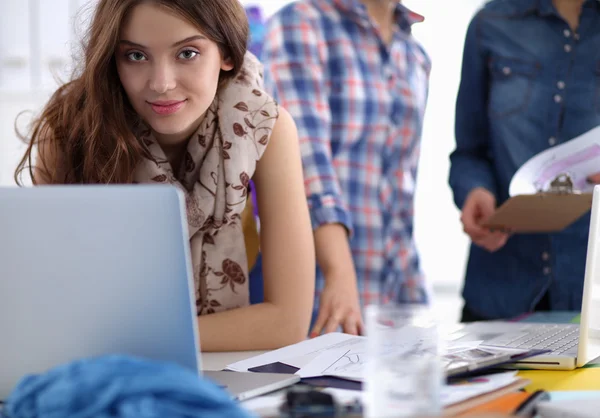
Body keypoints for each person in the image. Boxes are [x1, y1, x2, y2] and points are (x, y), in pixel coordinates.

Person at [14, 0, 315, 351]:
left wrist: (129, 338)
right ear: (113, 59)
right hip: (108, 350)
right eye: (136, 56)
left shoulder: (264, 126)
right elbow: (47, 298)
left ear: (227, 54)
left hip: (209, 334)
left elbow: (287, 322)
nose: (161, 83)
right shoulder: (70, 127)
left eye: (187, 53)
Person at [261, 0, 431, 336]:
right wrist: (339, 271)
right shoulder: (303, 23)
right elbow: (306, 157)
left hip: (398, 295)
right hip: (324, 294)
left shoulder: (415, 54)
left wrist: (417, 302)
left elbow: (401, 184)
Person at [450, 0, 600, 321]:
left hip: (590, 295)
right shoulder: (490, 23)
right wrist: (476, 190)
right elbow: (468, 153)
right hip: (500, 288)